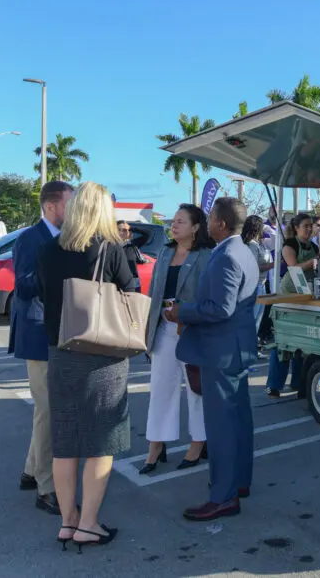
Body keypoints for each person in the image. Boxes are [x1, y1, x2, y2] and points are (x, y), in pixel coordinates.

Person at [37, 182, 136, 551]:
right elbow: (131, 291)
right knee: (99, 442)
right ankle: (90, 524)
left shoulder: (47, 249)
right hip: (101, 357)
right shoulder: (110, 250)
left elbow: (47, 296)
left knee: (65, 442)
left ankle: (68, 522)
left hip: (60, 353)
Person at [175, 197, 259, 521]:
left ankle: (223, 497)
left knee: (222, 427)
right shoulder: (244, 251)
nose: (207, 222)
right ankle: (238, 483)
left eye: (210, 217)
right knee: (238, 421)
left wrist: (180, 311)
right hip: (235, 349)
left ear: (221, 223)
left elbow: (219, 309)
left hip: (222, 352)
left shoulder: (226, 256)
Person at [9, 180, 74, 515]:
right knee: (48, 411)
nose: (74, 210)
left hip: (58, 333)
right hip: (37, 335)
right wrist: (53, 269)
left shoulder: (63, 238)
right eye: (69, 203)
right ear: (51, 206)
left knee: (45, 410)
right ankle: (47, 488)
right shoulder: (30, 239)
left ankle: (30, 471)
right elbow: (22, 288)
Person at [139, 204, 214, 475]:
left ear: (196, 227)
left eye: (181, 221)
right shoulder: (165, 251)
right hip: (162, 327)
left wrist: (186, 314)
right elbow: (153, 292)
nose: (175, 224)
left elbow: (208, 297)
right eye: (175, 220)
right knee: (161, 388)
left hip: (191, 329)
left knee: (196, 389)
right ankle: (155, 445)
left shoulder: (206, 256)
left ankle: (198, 442)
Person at [266, 213, 318, 398]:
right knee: (283, 343)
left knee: (302, 344)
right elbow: (294, 267)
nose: (309, 228)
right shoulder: (289, 246)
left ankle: (298, 382)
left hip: (307, 295)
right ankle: (274, 385)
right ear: (296, 228)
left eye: (311, 225)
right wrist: (312, 263)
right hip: (289, 295)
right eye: (305, 225)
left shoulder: (315, 247)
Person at [241, 215, 272, 338]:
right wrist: (273, 265)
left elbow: (276, 238)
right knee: (254, 318)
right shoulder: (251, 245)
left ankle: (251, 346)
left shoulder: (259, 243)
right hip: (255, 285)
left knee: (258, 318)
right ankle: (247, 347)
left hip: (261, 284)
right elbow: (254, 267)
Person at [116, 221, 148, 292]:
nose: (123, 232)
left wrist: (132, 228)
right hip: (116, 283)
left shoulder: (132, 244)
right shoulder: (111, 245)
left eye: (126, 230)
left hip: (132, 283)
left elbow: (147, 234)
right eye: (121, 230)